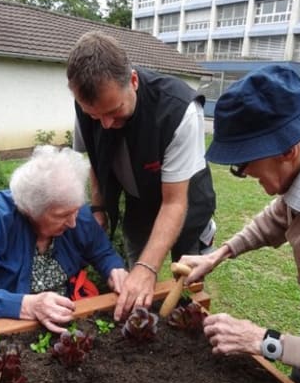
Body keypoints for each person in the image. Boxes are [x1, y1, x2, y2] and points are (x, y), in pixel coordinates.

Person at [180, 64, 300, 383]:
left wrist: (263, 340)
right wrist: (218, 254)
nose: (243, 173)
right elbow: (279, 215)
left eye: (243, 163)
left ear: (287, 151)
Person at [67, 31, 216, 321]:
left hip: (186, 204)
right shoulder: (87, 105)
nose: (106, 124)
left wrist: (148, 269)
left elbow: (174, 203)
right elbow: (97, 161)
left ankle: (187, 322)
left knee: (188, 282)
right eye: (96, 116)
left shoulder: (178, 109)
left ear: (133, 81)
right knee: (138, 274)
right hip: (139, 202)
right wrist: (98, 207)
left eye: (114, 111)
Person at [0, 145, 127, 333]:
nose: (72, 223)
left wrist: (114, 269)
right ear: (31, 211)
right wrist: (27, 305)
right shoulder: (0, 216)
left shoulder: (75, 212)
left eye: (76, 210)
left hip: (68, 316)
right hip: (10, 322)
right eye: (62, 215)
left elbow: (102, 252)